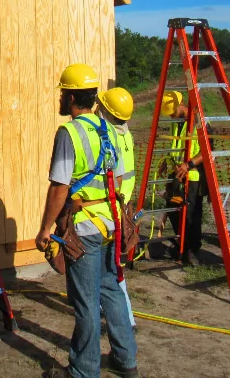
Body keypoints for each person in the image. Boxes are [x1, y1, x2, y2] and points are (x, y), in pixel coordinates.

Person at [36, 65, 138, 378]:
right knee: (111, 291)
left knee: (86, 301)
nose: (59, 100)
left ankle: (83, 371)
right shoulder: (107, 128)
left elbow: (59, 187)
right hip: (110, 225)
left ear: (70, 97)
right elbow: (118, 179)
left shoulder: (69, 133)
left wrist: (44, 229)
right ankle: (126, 361)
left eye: (62, 94)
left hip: (84, 229)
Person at [96, 86, 137, 331]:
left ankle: (126, 321)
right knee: (111, 266)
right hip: (122, 204)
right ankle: (115, 312)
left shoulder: (109, 136)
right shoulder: (125, 133)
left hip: (111, 208)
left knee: (112, 270)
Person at [160, 90, 205, 266]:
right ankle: (181, 246)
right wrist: (166, 160)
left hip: (192, 177)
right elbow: (175, 145)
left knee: (191, 216)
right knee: (173, 210)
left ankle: (192, 250)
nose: (171, 115)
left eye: (172, 111)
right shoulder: (176, 122)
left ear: (181, 105)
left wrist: (189, 164)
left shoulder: (198, 122)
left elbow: (206, 151)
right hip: (176, 174)